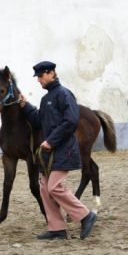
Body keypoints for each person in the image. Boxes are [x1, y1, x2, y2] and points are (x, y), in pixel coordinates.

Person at [18, 61, 97, 240]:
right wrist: (25, 105)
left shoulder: (64, 94)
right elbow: (39, 120)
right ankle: (57, 229)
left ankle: (86, 216)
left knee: (54, 187)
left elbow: (71, 121)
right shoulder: (46, 99)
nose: (38, 80)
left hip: (63, 150)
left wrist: (51, 141)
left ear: (51, 73)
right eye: (37, 77)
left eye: (40, 76)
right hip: (49, 153)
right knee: (45, 188)